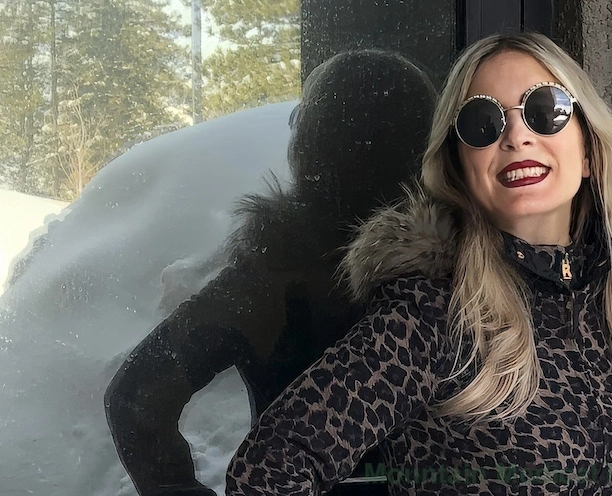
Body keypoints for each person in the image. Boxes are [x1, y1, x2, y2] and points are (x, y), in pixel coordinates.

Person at [225, 32, 612, 495]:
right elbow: (269, 471)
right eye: (483, 121)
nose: (517, 136)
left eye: (546, 111)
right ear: (459, 166)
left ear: (590, 148)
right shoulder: (433, 314)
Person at [105, 49, 436, 496]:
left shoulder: (272, 278)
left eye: (300, 122)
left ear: (311, 147)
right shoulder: (471, 270)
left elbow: (136, 399)